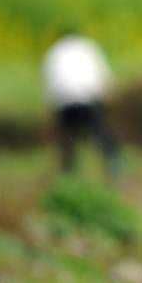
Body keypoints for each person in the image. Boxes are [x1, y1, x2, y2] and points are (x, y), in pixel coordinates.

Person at [42, 29, 122, 179]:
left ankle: (68, 174)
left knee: (68, 140)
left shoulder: (54, 51)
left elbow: (50, 82)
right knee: (100, 133)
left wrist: (50, 106)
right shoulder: (88, 47)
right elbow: (101, 73)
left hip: (64, 100)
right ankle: (113, 167)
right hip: (89, 97)